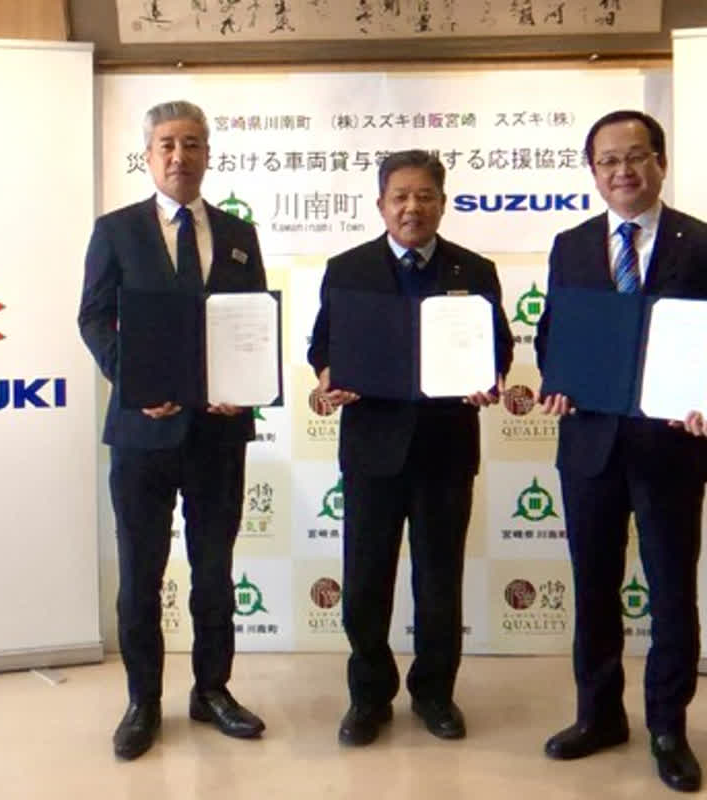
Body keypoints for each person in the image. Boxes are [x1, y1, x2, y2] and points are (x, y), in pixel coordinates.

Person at [535, 110, 707, 793]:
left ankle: (667, 728)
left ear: (660, 162)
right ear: (592, 171)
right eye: (607, 161)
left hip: (670, 446)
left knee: (670, 592)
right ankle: (598, 716)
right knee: (594, 589)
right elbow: (553, 334)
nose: (622, 171)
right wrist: (557, 381)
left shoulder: (704, 242)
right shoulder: (571, 244)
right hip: (590, 446)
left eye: (635, 156)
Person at [78, 100, 267, 761]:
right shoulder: (115, 231)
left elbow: (251, 321)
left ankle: (212, 691)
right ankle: (143, 702)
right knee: (141, 575)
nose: (179, 156)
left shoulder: (239, 233)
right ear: (148, 156)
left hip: (218, 435)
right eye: (167, 144)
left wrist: (246, 387)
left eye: (191, 143)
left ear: (208, 154)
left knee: (214, 572)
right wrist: (134, 380)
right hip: (142, 435)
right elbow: (93, 318)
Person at [307, 150, 513, 746]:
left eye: (425, 196)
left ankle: (434, 694)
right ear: (381, 204)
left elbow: (498, 347)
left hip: (446, 449)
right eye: (400, 196)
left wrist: (491, 378)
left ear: (443, 204)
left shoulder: (475, 270)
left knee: (439, 582)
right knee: (364, 582)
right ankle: (368, 697)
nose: (411, 207)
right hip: (372, 450)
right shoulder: (347, 268)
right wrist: (326, 375)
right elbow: (322, 345)